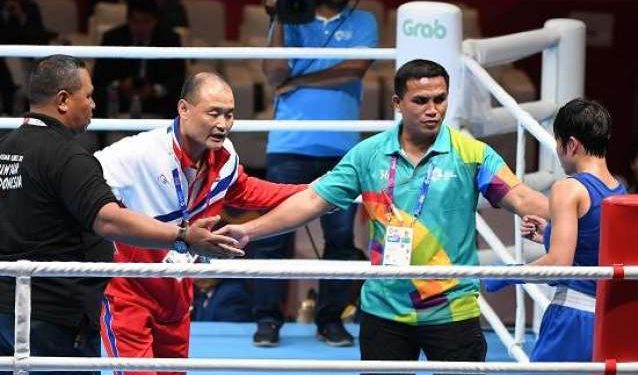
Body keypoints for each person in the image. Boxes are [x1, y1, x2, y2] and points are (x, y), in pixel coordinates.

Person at [216, 59, 549, 369]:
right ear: (397, 103)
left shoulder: (472, 154)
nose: (433, 110)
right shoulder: (367, 155)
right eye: (421, 101)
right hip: (383, 310)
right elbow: (311, 202)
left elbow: (520, 197)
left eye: (440, 99)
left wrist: (587, 208)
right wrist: (249, 231)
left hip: (453, 310)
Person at [0, 54, 243, 375]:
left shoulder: (6, 148)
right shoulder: (68, 157)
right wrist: (183, 236)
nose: (93, 105)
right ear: (62, 100)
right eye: (87, 96)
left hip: (5, 308)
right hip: (54, 312)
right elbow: (108, 219)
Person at [94, 71, 306, 374]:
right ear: (183, 109)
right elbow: (79, 183)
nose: (223, 124)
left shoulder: (224, 156)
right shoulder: (139, 152)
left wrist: (315, 190)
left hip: (177, 294)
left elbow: (248, 191)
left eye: (229, 115)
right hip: (128, 293)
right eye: (213, 113)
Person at [250, 0, 378, 347]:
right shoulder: (291, 18)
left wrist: (300, 80)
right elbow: (274, 74)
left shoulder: (364, 20)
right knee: (273, 238)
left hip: (342, 149)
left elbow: (354, 68)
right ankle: (266, 320)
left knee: (339, 239)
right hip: (289, 143)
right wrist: (278, 16)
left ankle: (331, 320)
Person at [486, 98, 626, 361]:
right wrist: (549, 234)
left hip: (572, 317)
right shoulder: (617, 189)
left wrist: (508, 274)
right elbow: (593, 247)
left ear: (570, 144)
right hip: (607, 319)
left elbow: (559, 263)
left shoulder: (568, 188)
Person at [92, 0, 185, 119]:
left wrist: (155, 90)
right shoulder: (112, 38)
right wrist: (119, 86)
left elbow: (178, 77)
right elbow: (99, 77)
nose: (141, 27)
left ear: (155, 21)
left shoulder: (170, 39)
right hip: (119, 101)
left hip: (158, 103)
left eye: (146, 22)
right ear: (128, 20)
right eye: (135, 22)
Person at [0, 0, 48, 114]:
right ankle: (9, 111)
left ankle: (27, 109)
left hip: (27, 55)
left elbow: (37, 36)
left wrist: (20, 16)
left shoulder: (30, 8)